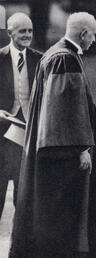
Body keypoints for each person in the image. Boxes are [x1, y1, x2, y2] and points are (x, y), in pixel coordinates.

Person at [9, 12, 96, 258]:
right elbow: (66, 109)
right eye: (92, 34)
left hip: (52, 145)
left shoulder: (55, 54)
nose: (94, 40)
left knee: (57, 204)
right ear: (83, 33)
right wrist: (82, 147)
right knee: (62, 204)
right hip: (62, 147)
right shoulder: (64, 58)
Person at [0, 13, 42, 221]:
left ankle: (20, 248)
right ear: (10, 33)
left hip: (28, 135)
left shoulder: (40, 60)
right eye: (22, 31)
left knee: (24, 195)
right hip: (1, 135)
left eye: (30, 31)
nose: (27, 35)